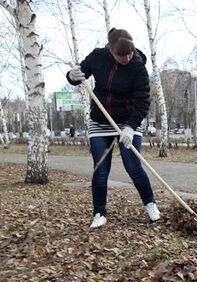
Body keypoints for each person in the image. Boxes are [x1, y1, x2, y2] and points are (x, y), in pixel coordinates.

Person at [66, 28, 159, 229]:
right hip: (100, 122)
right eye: (121, 54)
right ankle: (99, 212)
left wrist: (131, 128)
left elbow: (143, 101)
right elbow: (79, 74)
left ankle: (150, 203)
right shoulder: (98, 57)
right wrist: (71, 76)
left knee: (133, 166)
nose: (126, 58)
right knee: (100, 169)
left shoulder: (137, 66)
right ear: (110, 49)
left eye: (129, 53)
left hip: (128, 122)